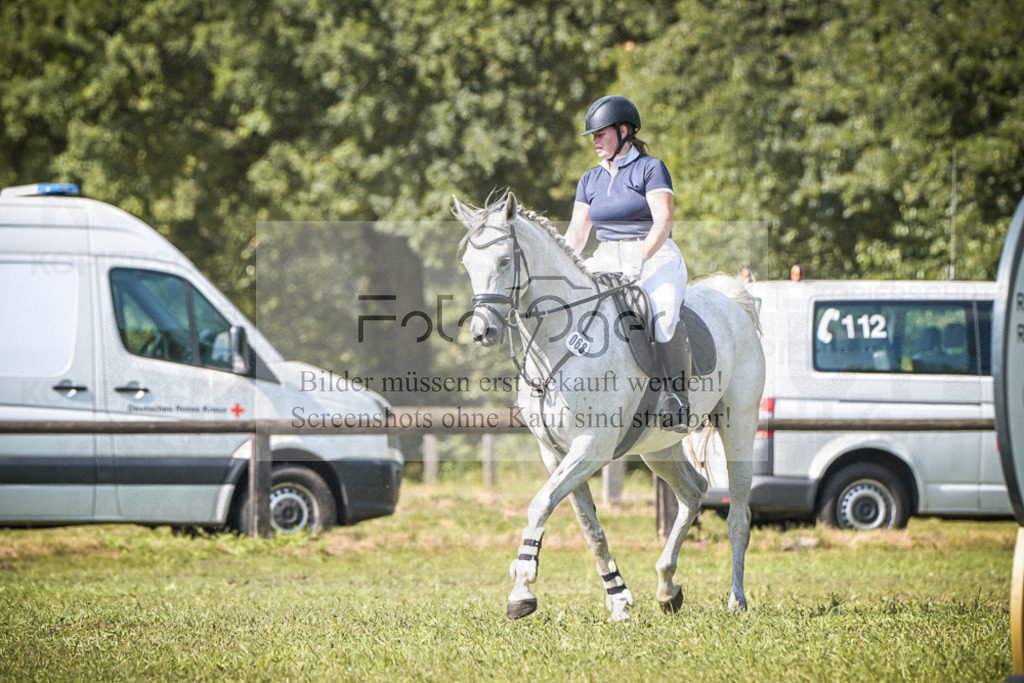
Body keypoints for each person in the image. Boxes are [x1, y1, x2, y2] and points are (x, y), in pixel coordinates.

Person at [564, 95, 691, 431]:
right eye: (592, 135)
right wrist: (560, 266)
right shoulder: (589, 179)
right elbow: (578, 232)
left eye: (600, 133)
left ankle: (676, 399)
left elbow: (663, 221)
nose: (594, 141)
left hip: (653, 252)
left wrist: (640, 259)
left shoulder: (650, 168)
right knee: (572, 307)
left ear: (623, 131)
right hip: (606, 255)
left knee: (663, 316)